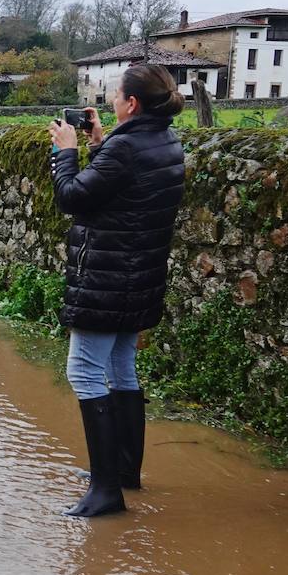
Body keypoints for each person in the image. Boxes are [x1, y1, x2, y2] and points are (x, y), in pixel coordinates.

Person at [47, 64, 186, 518]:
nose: (107, 99)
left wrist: (66, 152)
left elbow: (73, 197)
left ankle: (106, 491)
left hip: (107, 277)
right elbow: (123, 190)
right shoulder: (164, 140)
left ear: (132, 103)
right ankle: (125, 472)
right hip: (140, 277)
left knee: (85, 373)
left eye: (114, 93)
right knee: (122, 368)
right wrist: (97, 144)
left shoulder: (126, 147)